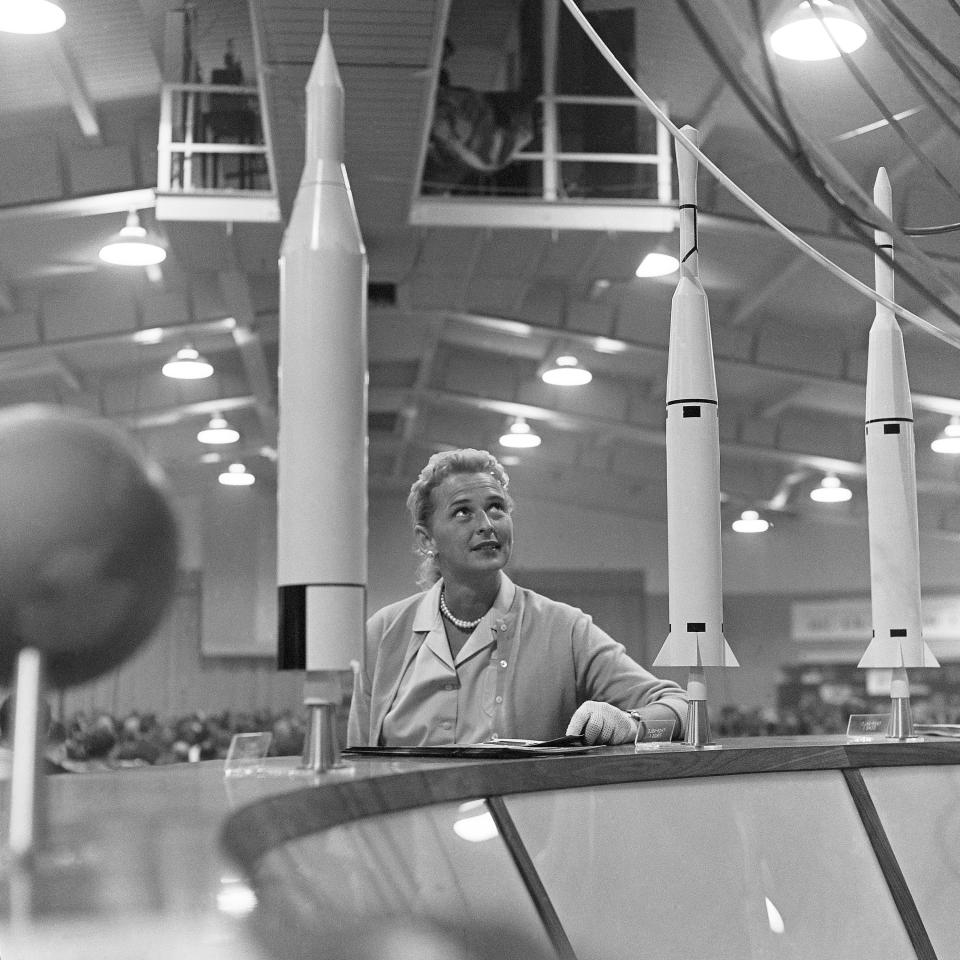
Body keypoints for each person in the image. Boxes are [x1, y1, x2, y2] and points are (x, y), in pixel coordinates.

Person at [348, 448, 688, 747]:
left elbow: (680, 708)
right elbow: (357, 759)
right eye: (463, 512)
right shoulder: (382, 634)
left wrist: (631, 724)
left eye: (496, 507)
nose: (486, 524)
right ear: (427, 539)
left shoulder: (564, 630)